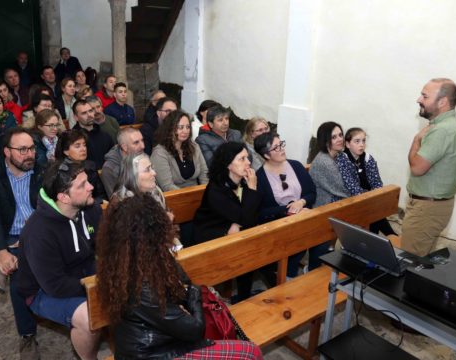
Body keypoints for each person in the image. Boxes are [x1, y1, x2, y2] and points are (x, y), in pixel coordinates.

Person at [96, 194, 263, 360]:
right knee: (250, 352)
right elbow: (195, 329)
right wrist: (195, 293)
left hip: (164, 341)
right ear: (151, 229)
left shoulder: (139, 258)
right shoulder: (139, 284)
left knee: (243, 348)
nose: (168, 218)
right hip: (154, 354)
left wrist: (186, 293)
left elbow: (184, 283)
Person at [18, 160, 101, 360]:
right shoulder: (38, 232)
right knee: (90, 316)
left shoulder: (91, 210)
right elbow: (55, 286)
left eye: (87, 181)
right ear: (63, 197)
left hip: (83, 275)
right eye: (82, 185)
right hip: (42, 292)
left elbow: (106, 247)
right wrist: (98, 287)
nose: (91, 187)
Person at [0, 128, 41, 359]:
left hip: (38, 232)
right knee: (20, 278)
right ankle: (27, 334)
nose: (29, 154)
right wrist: (1, 250)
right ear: (6, 152)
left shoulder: (40, 168)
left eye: (32, 148)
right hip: (10, 235)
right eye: (22, 150)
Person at [402, 78, 456, 256]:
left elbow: (417, 168)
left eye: (425, 96)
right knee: (423, 263)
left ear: (442, 102)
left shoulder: (442, 131)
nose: (419, 99)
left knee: (409, 263)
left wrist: (416, 140)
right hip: (436, 207)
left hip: (426, 210)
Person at [193, 142, 264, 301]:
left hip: (233, 230)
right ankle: (243, 296)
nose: (248, 162)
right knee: (244, 238)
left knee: (247, 236)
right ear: (228, 165)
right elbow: (246, 218)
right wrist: (252, 189)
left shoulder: (242, 182)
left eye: (247, 157)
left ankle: (245, 294)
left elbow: (249, 217)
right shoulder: (216, 189)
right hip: (209, 233)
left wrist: (242, 221)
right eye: (242, 159)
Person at [254, 132, 325, 276]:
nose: (282, 149)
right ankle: (288, 276)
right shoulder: (260, 177)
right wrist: (289, 210)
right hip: (280, 222)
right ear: (266, 155)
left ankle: (313, 273)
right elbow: (262, 212)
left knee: (322, 239)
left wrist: (301, 202)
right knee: (296, 244)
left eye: (281, 144)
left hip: (304, 214)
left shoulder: (296, 166)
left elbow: (311, 192)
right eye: (276, 148)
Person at [336, 127, 397, 236]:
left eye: (364, 141)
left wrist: (374, 196)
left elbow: (377, 182)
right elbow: (351, 186)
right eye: (357, 141)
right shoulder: (342, 159)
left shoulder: (368, 158)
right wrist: (370, 197)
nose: (361, 144)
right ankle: (390, 236)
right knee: (374, 212)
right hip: (348, 200)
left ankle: (380, 238)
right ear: (348, 144)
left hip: (367, 200)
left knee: (374, 211)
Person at [151, 110, 209, 191]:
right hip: (175, 198)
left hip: (197, 194)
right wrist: (188, 198)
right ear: (170, 128)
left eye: (188, 127)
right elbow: (167, 186)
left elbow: (204, 173)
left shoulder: (194, 146)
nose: (185, 131)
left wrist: (206, 192)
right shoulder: (159, 153)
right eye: (180, 127)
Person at [55, 129, 106, 201]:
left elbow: (100, 193)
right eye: (77, 146)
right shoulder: (60, 172)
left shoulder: (90, 165)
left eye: (84, 145)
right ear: (66, 151)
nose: (83, 149)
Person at [309, 122, 349, 207]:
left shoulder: (339, 155)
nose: (340, 139)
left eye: (340, 135)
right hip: (325, 207)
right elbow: (343, 190)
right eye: (334, 137)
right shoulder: (324, 162)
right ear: (326, 141)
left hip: (339, 202)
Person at [101, 127, 145, 197]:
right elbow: (117, 200)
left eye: (142, 140)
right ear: (124, 147)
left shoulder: (141, 157)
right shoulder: (110, 169)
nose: (143, 146)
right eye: (136, 142)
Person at [72, 100, 114, 170]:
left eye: (90, 111)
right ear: (76, 117)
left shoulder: (105, 135)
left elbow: (113, 157)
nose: (89, 115)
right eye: (84, 113)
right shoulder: (72, 138)